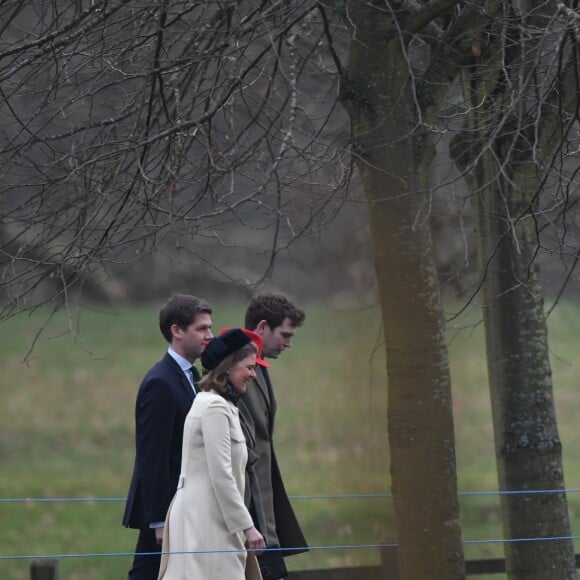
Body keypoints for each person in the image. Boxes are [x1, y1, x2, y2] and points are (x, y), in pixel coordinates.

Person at [158, 328, 266, 580]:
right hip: (206, 521)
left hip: (215, 517)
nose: (253, 374)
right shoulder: (214, 407)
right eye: (248, 367)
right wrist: (247, 527)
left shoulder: (220, 404)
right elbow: (221, 475)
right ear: (228, 367)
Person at [123, 294, 213, 580]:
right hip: (166, 511)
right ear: (176, 331)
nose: (209, 335)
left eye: (209, 328)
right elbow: (153, 456)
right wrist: (160, 520)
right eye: (201, 329)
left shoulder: (190, 375)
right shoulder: (161, 382)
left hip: (185, 506)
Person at [241, 293, 308, 580]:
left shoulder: (258, 366)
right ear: (262, 327)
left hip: (264, 505)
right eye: (285, 334)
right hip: (247, 504)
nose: (289, 343)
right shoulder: (234, 369)